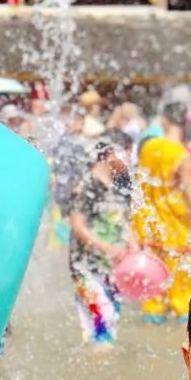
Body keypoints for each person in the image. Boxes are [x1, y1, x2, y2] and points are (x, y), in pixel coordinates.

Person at [134, 100, 191, 320]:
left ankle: (153, 317)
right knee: (184, 295)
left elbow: (139, 188)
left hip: (150, 226)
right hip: (176, 228)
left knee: (153, 286)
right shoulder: (181, 154)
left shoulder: (148, 147)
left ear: (164, 121)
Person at [68, 131, 134, 346]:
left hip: (112, 268)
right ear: (110, 152)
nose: (130, 158)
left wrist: (134, 247)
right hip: (84, 268)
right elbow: (78, 226)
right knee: (103, 324)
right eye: (127, 152)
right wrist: (108, 248)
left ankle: (94, 360)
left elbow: (126, 223)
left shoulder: (122, 186)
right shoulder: (86, 185)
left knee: (107, 328)